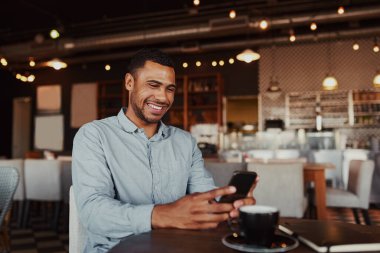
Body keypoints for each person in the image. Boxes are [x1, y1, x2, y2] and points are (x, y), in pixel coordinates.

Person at [72, 48, 258, 252]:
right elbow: (93, 213)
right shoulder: (94, 135)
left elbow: (205, 197)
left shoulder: (185, 141)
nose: (163, 97)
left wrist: (228, 206)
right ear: (129, 83)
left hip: (176, 247)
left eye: (170, 89)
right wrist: (162, 215)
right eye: (153, 85)